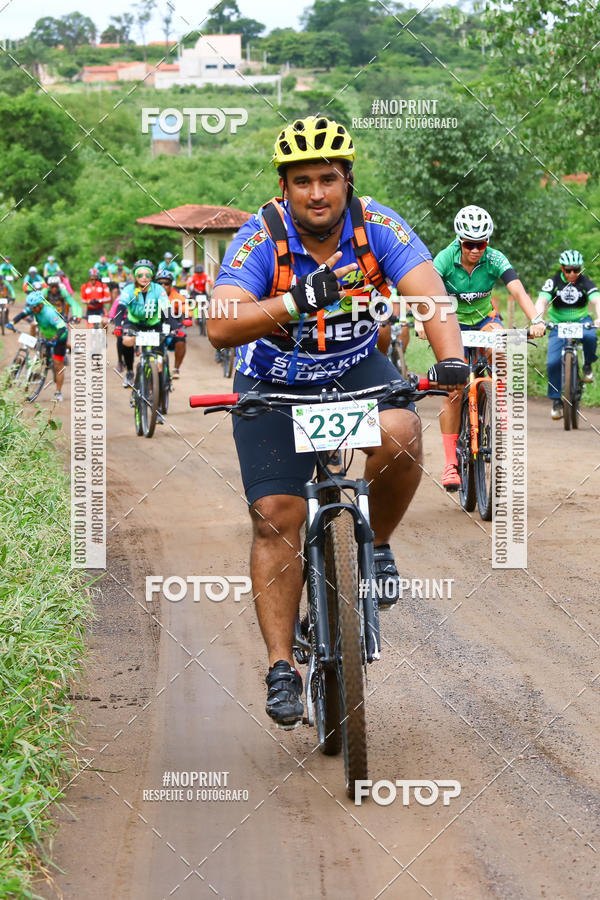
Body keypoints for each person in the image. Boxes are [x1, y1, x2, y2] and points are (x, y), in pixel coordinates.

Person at [208, 115, 468, 728]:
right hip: (274, 379)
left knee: (402, 433)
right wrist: (297, 300)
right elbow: (220, 324)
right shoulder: (260, 237)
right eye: (303, 182)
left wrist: (452, 358)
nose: (317, 193)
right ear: (284, 187)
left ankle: (377, 548)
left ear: (347, 180)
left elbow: (429, 295)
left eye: (328, 179)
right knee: (277, 517)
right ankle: (281, 666)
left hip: (353, 368)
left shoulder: (378, 226)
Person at [429, 205, 545, 490]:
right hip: (451, 322)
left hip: (484, 319)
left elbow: (516, 288)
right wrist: (422, 321)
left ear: (487, 242)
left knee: (500, 343)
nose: (475, 250)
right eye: (469, 244)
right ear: (459, 241)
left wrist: (536, 319)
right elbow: (427, 290)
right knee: (454, 390)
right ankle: (450, 463)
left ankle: (497, 400)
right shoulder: (445, 258)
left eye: (480, 244)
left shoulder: (494, 258)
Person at [535, 249, 600, 419]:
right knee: (553, 362)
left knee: (591, 336)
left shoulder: (585, 282)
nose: (572, 274)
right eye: (568, 270)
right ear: (562, 268)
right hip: (558, 323)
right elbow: (542, 300)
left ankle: (587, 365)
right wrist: (538, 319)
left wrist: (599, 317)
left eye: (576, 270)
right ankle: (557, 400)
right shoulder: (554, 281)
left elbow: (596, 300)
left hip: (581, 321)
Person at [112, 259, 171, 388]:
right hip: (134, 322)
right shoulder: (129, 289)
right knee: (127, 339)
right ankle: (129, 372)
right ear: (135, 276)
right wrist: (118, 325)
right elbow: (121, 308)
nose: (144, 278)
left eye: (147, 275)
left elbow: (166, 309)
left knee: (159, 364)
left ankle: (161, 387)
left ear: (151, 276)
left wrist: (173, 326)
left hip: (153, 324)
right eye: (140, 275)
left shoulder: (158, 289)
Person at [7, 290, 68, 402]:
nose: (32, 309)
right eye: (31, 307)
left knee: (58, 365)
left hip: (59, 338)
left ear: (40, 305)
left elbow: (62, 327)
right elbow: (22, 314)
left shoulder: (49, 313)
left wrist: (55, 338)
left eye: (34, 307)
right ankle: (46, 365)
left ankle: (58, 392)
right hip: (46, 336)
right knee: (42, 355)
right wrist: (12, 323)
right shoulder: (33, 308)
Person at [154, 270, 192, 378]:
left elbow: (186, 309)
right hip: (154, 327)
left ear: (171, 284)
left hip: (172, 327)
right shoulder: (150, 295)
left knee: (181, 338)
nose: (163, 286)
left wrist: (187, 318)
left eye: (166, 283)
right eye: (160, 283)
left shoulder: (178, 297)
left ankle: (176, 369)